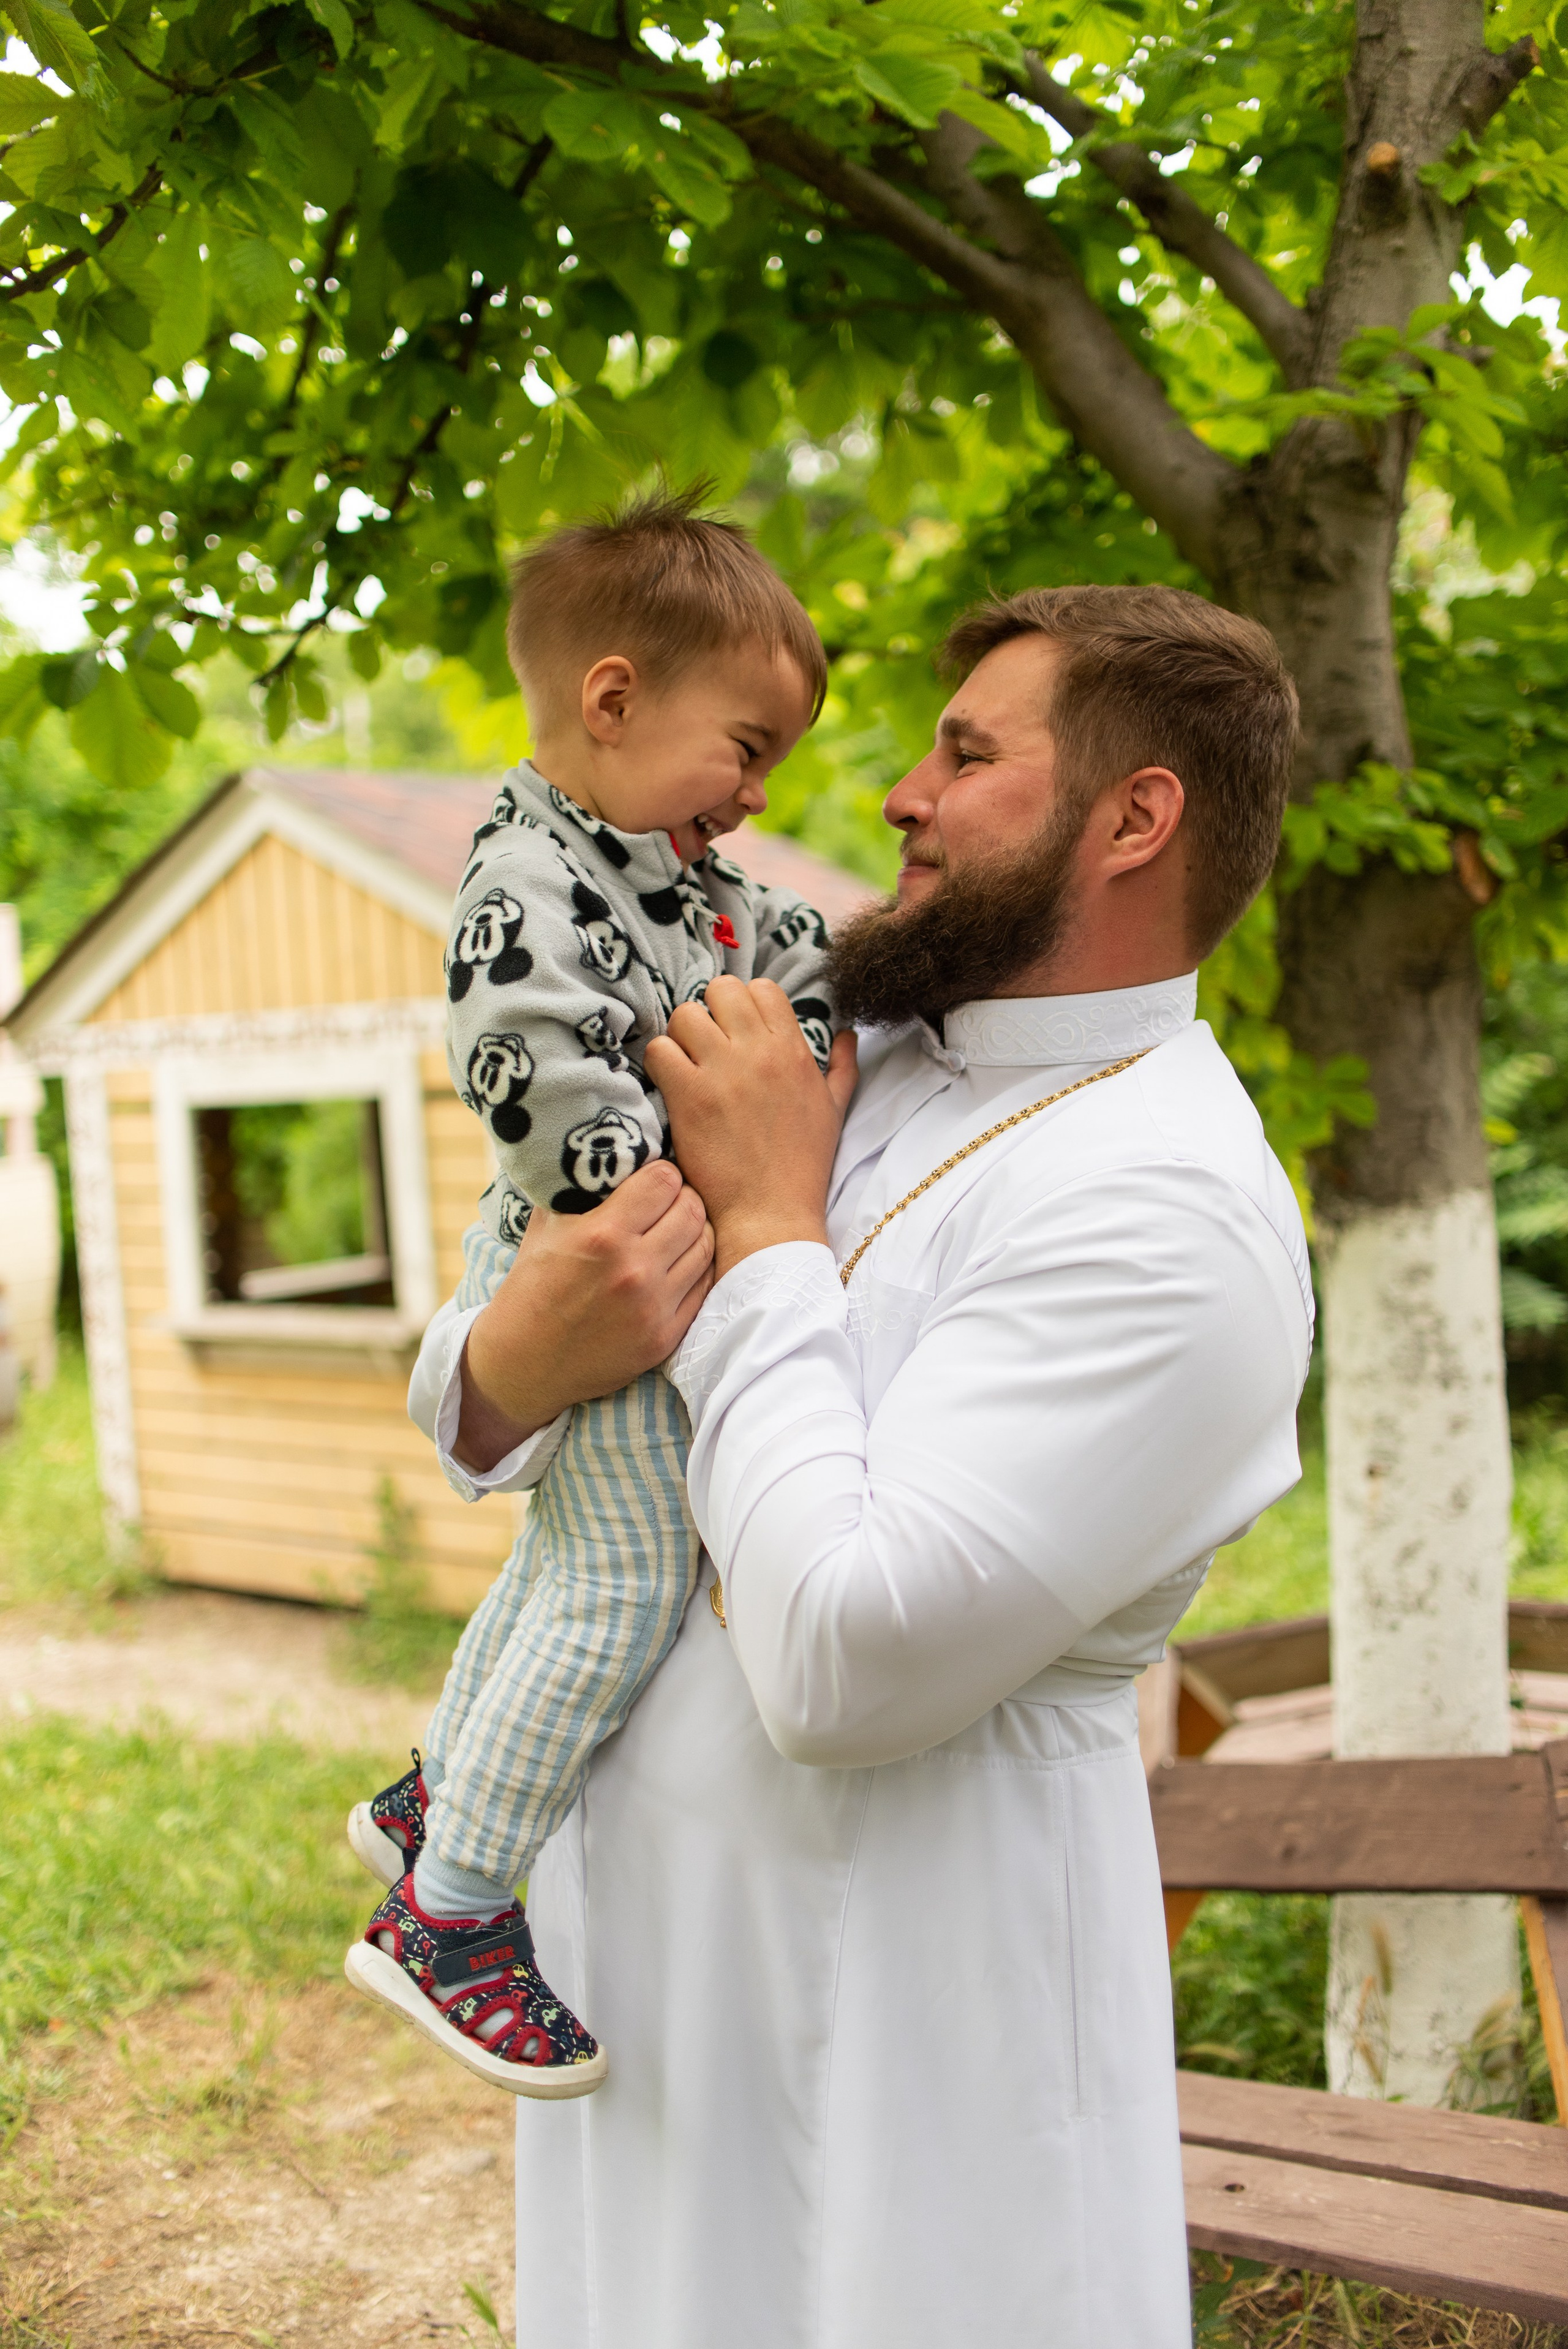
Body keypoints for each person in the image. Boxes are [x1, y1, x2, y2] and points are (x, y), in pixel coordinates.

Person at [407, 583, 1312, 2346]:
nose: (896, 791)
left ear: (1137, 817)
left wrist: (759, 1222)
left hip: (909, 2010)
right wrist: (512, 1364)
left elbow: (841, 1656)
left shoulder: (1173, 1209)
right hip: (655, 1993)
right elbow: (500, 1360)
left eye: (968, 753)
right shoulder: (856, 1043)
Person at [343, 488, 836, 2097]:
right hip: (602, 1233)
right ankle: (455, 1909)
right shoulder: (521, 877)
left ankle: (436, 1791)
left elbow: (780, 943)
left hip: (613, 1240)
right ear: (615, 699)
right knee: (621, 1581)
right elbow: (528, 1055)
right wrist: (666, 1176)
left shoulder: (655, 865)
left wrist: (828, 1007)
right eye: (745, 748)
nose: (759, 794)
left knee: (567, 1556)